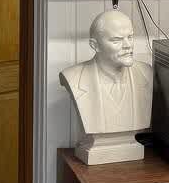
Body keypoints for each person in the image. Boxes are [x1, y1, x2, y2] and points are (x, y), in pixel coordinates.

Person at [59, 9, 153, 164]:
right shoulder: (74, 77)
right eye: (116, 40)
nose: (128, 45)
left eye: (130, 37)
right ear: (95, 45)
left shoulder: (146, 73)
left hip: (133, 152)